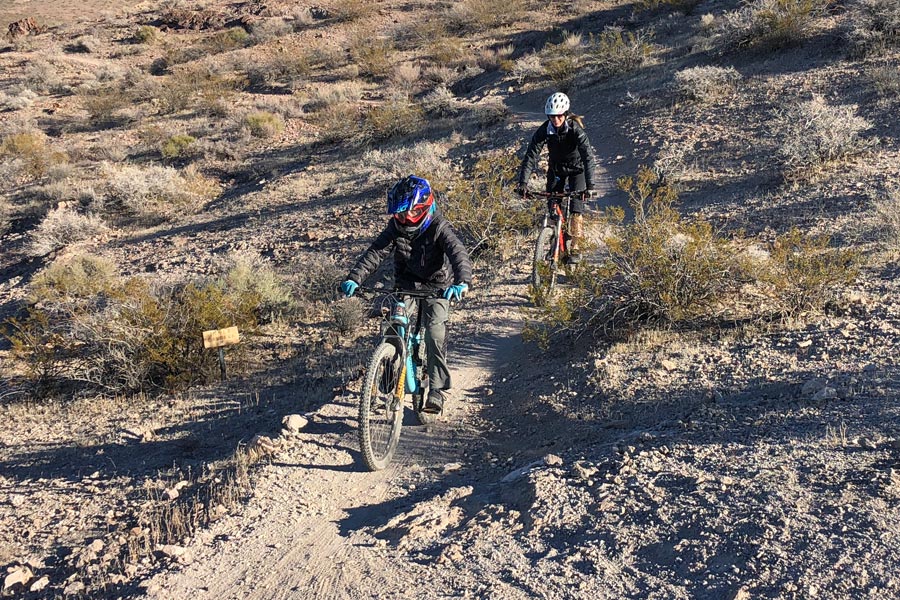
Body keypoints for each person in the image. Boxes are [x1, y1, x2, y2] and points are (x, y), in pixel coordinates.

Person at [340, 175, 472, 415]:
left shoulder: (438, 226)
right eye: (397, 214)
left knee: (434, 332)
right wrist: (354, 277)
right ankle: (389, 375)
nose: (401, 219)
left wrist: (462, 282)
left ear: (421, 208)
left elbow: (458, 253)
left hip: (437, 287)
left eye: (405, 214)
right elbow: (375, 252)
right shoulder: (395, 227)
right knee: (392, 326)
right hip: (406, 284)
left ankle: (436, 390)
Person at [516, 91, 598, 262]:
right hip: (556, 170)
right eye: (552, 116)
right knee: (553, 206)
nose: (555, 120)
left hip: (577, 170)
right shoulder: (544, 130)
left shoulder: (575, 129)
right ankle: (554, 242)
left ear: (565, 114)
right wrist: (522, 183)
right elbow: (531, 155)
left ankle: (575, 248)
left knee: (576, 209)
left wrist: (590, 186)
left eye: (559, 116)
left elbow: (588, 155)